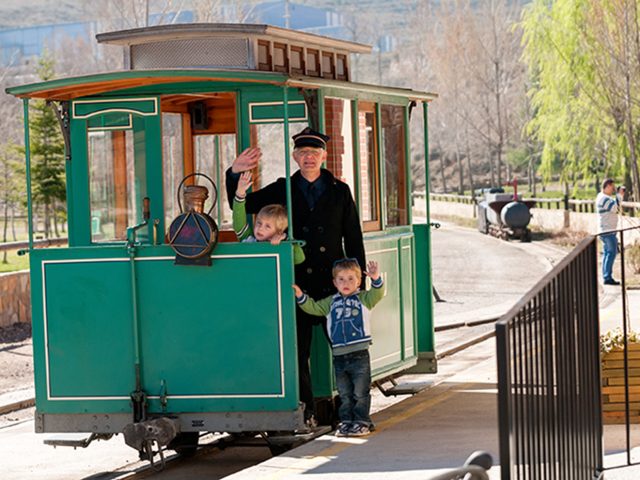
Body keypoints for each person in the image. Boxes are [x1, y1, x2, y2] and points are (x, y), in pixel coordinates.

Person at [226, 127, 366, 428]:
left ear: (324, 157)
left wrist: (359, 284)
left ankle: (351, 411)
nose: (308, 158)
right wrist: (234, 173)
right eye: (302, 153)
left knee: (344, 351)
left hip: (334, 286)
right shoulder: (282, 188)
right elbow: (243, 206)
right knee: (298, 352)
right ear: (294, 157)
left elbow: (353, 238)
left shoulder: (340, 191)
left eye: (314, 154)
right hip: (295, 283)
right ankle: (306, 410)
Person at [292, 258, 384, 437]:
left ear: (358, 281)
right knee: (344, 393)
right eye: (341, 279)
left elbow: (377, 294)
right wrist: (300, 296)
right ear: (334, 282)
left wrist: (375, 279)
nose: (346, 283)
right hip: (339, 356)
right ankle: (347, 422)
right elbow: (314, 308)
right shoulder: (330, 302)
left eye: (351, 279)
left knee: (360, 392)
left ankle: (361, 421)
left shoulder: (364, 299)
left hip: (360, 355)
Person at [233, 171, 304, 264]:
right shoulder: (249, 239)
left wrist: (286, 239)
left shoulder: (281, 245)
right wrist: (240, 193)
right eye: (259, 223)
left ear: (278, 231)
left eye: (268, 226)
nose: (260, 228)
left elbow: (299, 259)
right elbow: (239, 221)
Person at [596, 178, 620, 285]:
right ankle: (607, 277)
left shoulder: (603, 197)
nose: (613, 189)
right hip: (608, 231)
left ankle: (606, 276)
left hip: (607, 230)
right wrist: (619, 196)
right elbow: (615, 208)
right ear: (608, 186)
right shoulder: (603, 198)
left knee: (607, 253)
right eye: (612, 187)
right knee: (611, 253)